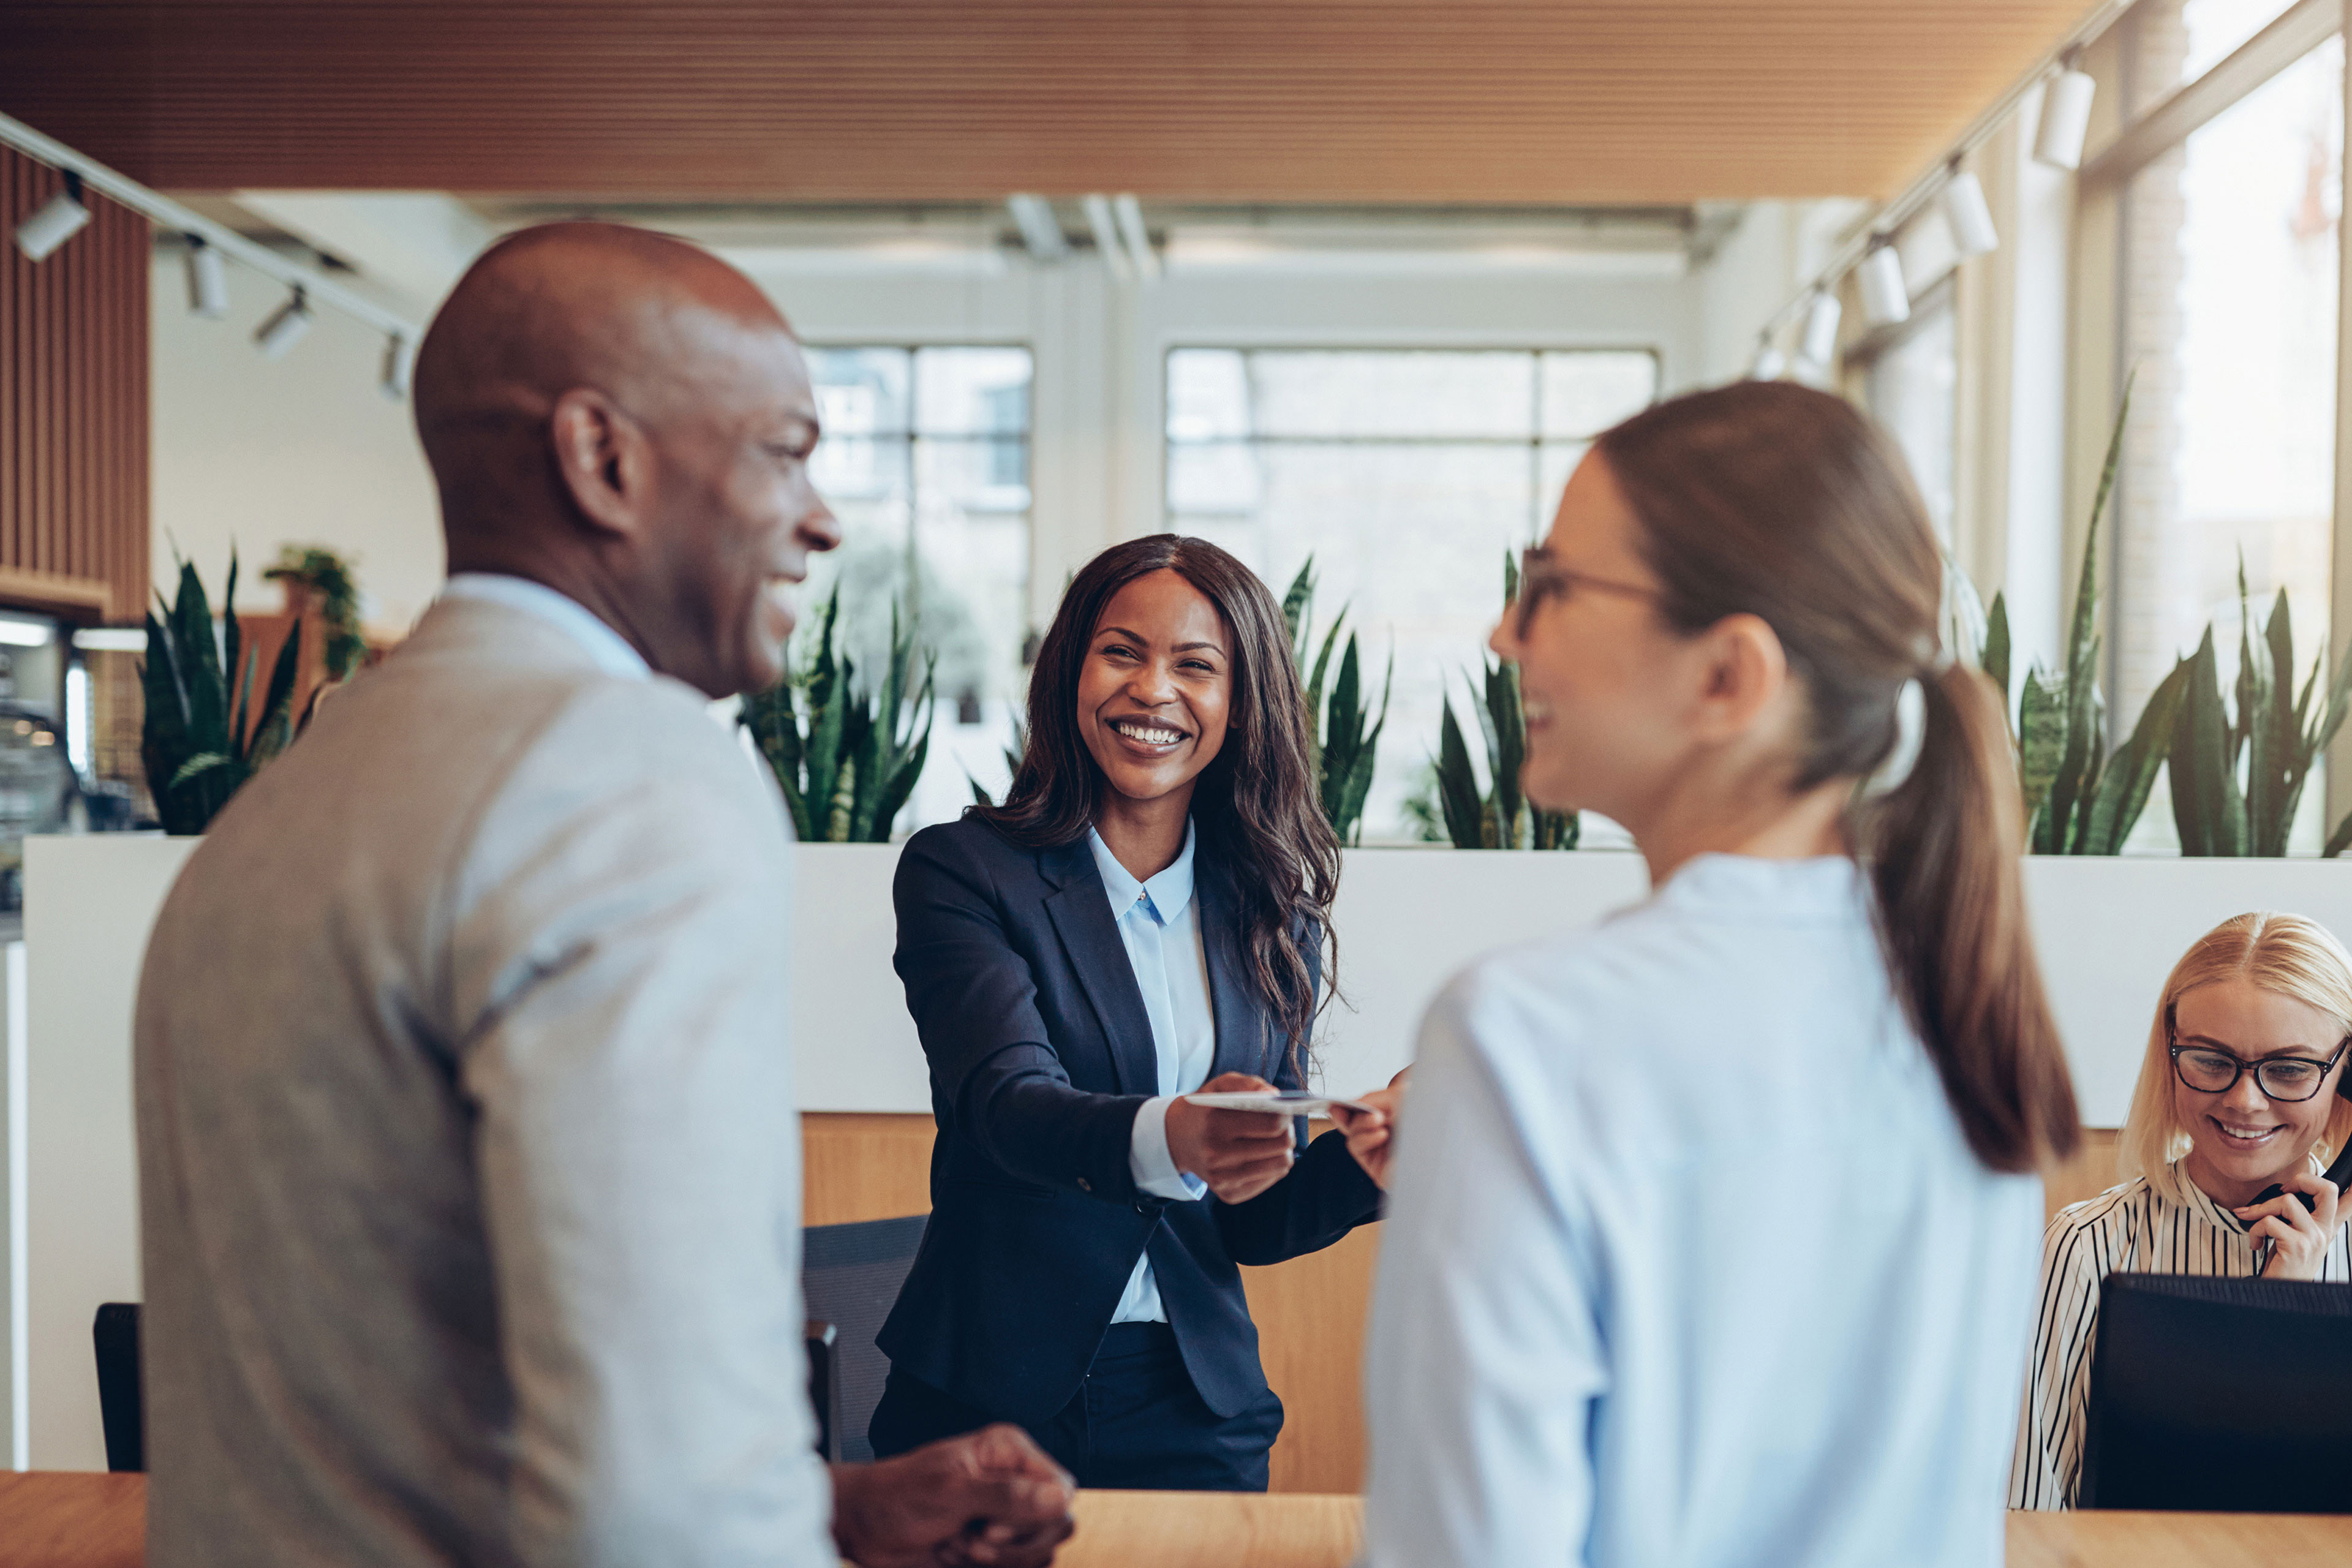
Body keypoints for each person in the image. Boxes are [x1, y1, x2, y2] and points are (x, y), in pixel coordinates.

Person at [134, 222, 1074, 1568]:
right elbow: (660, 1502)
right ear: (604, 458)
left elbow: (384, 1396)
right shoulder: (631, 778)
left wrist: (825, 1503)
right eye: (785, 449)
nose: (823, 517)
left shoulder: (284, 802)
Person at [1359, 382, 2081, 1568]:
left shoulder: (1524, 1036)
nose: (1505, 634)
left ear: (1729, 677)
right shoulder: (1967, 1015)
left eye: (1550, 586)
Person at [870, 534, 1393, 1490]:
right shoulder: (966, 871)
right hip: (987, 1404)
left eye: (1196, 666)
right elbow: (1006, 1103)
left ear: (1240, 708)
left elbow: (1250, 1220)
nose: (1152, 690)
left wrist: (1363, 1167)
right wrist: (1177, 1134)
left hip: (1197, 1405)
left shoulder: (1272, 918)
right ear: (1071, 673)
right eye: (1122, 652)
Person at [2010, 910, 2352, 1509]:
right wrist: (2270, 1313)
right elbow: (2029, 1505)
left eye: (2291, 1068)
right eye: (2211, 1060)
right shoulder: (2088, 1245)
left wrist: (2299, 1303)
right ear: (2170, 1057)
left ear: (2344, 1075)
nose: (2246, 1100)